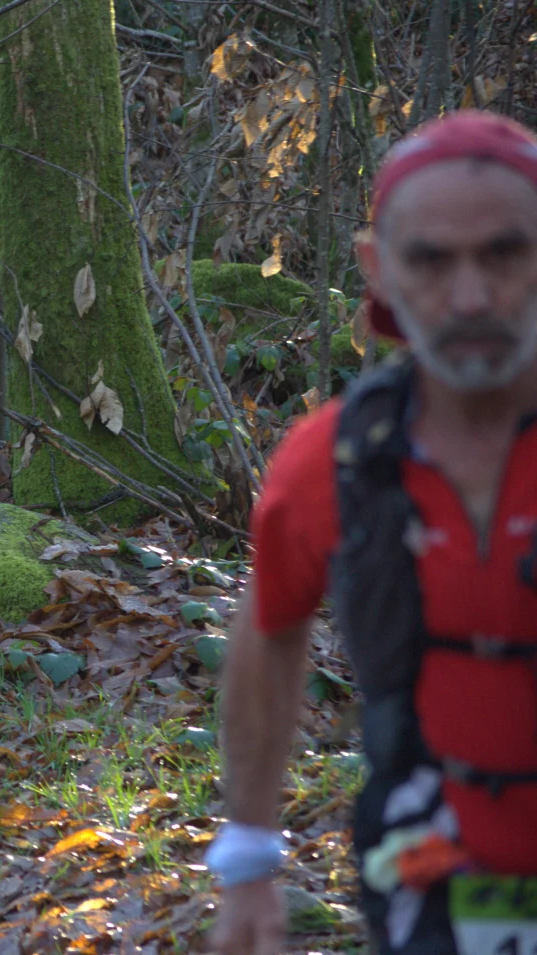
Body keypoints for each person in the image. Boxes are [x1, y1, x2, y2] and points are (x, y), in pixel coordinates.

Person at [211, 110, 537, 955]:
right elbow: (269, 626)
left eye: (505, 253)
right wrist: (247, 856)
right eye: (431, 260)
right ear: (378, 270)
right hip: (428, 868)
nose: (471, 296)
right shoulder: (335, 460)